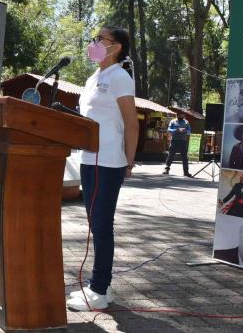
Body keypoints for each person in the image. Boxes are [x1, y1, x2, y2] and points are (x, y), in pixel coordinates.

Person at [67, 26, 139, 312]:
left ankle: (98, 289)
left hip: (108, 161)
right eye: (93, 39)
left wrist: (129, 160)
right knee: (96, 226)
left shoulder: (120, 77)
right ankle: (101, 287)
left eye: (100, 40)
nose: (94, 43)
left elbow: (131, 123)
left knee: (101, 226)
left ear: (117, 46)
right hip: (88, 159)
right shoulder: (93, 77)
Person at [163, 111, 192, 176]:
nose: (183, 116)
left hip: (183, 141)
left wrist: (185, 131)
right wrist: (177, 130)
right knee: (171, 155)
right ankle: (166, 169)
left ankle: (186, 172)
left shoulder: (186, 122)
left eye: (183, 115)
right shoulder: (173, 121)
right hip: (174, 141)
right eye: (181, 115)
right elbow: (169, 130)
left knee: (185, 157)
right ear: (178, 115)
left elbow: (189, 132)